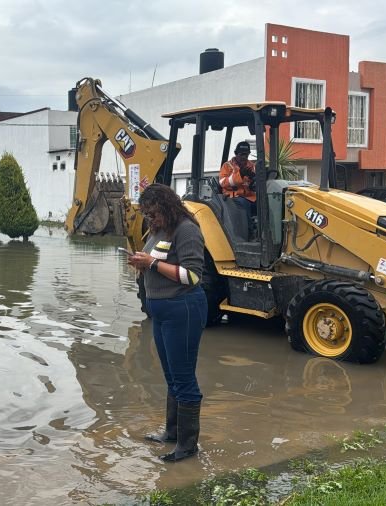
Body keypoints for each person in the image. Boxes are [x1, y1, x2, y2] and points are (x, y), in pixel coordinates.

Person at [127, 183, 208, 462]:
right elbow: (156, 262)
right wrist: (141, 262)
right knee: (171, 377)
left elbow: (192, 276)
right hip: (162, 312)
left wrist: (150, 263)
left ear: (167, 206)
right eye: (146, 215)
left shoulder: (186, 229)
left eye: (153, 214)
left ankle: (187, 446)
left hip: (182, 309)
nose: (150, 219)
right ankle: (172, 434)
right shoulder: (160, 230)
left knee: (184, 379)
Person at [219, 140, 257, 218]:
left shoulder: (252, 166)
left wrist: (253, 178)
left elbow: (254, 185)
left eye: (246, 155)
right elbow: (223, 183)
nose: (244, 157)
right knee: (243, 204)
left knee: (264, 203)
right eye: (241, 154)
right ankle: (248, 229)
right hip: (232, 197)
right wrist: (240, 175)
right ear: (236, 153)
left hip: (249, 196)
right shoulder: (227, 166)